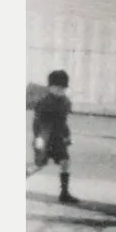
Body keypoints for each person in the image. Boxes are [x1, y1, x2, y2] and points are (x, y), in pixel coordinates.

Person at [28, 70, 77, 204]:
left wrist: (67, 136)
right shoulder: (44, 103)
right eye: (57, 88)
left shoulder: (65, 102)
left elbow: (63, 122)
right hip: (44, 138)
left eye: (63, 88)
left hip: (58, 139)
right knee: (38, 165)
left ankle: (64, 193)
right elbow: (37, 123)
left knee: (65, 162)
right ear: (50, 87)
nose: (61, 90)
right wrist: (38, 139)